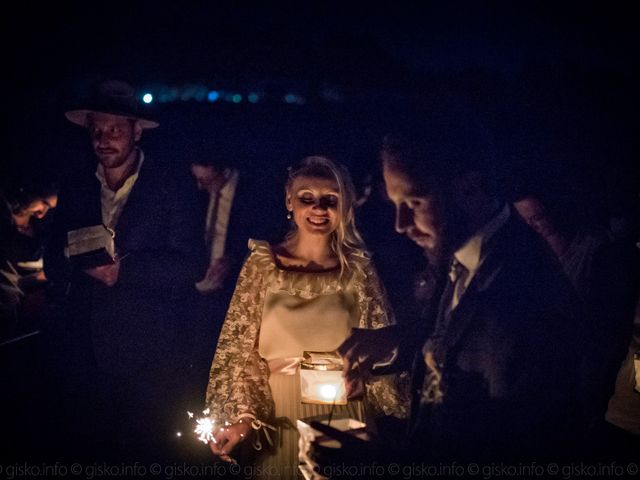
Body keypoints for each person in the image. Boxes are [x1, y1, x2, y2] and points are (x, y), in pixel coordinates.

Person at [313, 110, 585, 470]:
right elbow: (457, 338)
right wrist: (397, 341)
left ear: (470, 187)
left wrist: (380, 465)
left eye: (415, 202)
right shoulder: (459, 253)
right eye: (394, 204)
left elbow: (513, 450)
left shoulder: (525, 293)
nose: (400, 225)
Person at [204, 156, 406, 478]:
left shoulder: (358, 269)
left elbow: (384, 348)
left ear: (345, 205)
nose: (318, 208)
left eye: (330, 199)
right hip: (281, 418)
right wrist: (242, 417)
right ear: (290, 201)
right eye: (307, 198)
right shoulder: (262, 264)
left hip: (344, 419)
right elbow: (239, 353)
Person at [44, 79, 202, 461]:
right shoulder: (78, 185)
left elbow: (190, 263)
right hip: (87, 352)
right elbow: (52, 256)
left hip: (152, 354)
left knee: (153, 451)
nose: (103, 139)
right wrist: (75, 263)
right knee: (91, 450)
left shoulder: (170, 185)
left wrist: (125, 272)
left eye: (114, 129)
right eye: (96, 130)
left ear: (136, 132)